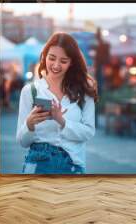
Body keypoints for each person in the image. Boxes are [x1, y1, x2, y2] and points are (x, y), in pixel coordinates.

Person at [16, 32, 98, 174]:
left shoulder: (84, 90)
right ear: (44, 56)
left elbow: (89, 132)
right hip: (37, 164)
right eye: (52, 58)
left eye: (63, 61)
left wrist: (62, 121)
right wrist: (29, 124)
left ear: (71, 62)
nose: (56, 65)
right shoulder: (30, 91)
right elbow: (22, 142)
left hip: (72, 165)